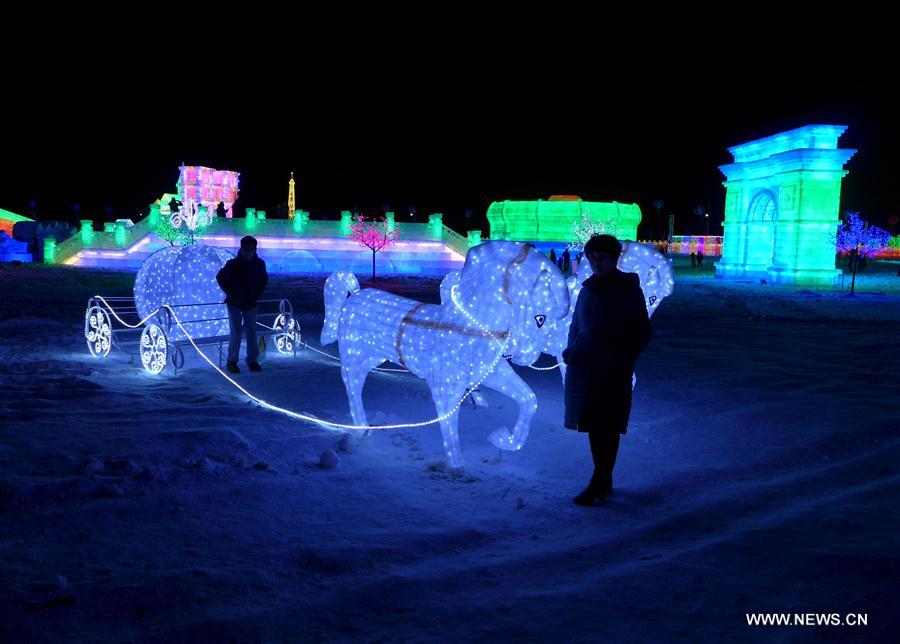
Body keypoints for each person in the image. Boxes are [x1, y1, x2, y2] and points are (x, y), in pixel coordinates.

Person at [563, 234, 651, 506]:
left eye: (601, 257)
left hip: (612, 369)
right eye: (591, 257)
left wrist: (624, 360)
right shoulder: (589, 287)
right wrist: (572, 348)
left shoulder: (626, 287)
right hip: (587, 367)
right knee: (592, 425)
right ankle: (603, 478)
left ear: (614, 258)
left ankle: (599, 480)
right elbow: (577, 324)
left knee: (608, 426)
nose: (595, 262)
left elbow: (642, 331)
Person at [216, 236, 268, 373]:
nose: (248, 252)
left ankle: (252, 360)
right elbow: (220, 277)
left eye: (250, 249)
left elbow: (263, 281)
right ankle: (232, 361)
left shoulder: (259, 264)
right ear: (241, 248)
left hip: (250, 302)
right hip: (234, 303)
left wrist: (256, 295)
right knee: (236, 332)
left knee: (251, 332)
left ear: (255, 249)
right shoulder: (233, 264)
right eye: (245, 249)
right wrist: (231, 293)